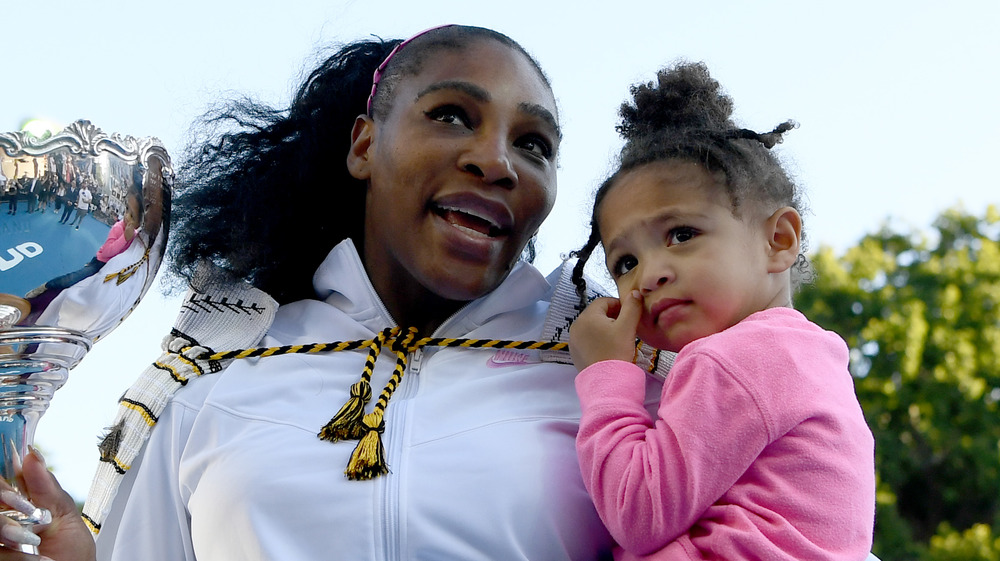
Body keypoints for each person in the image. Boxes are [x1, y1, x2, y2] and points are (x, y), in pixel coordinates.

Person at [0, 25, 617, 560]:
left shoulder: (603, 370)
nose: (498, 161)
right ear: (364, 146)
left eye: (534, 144)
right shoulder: (212, 381)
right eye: (452, 115)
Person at [567, 61, 876, 560]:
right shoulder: (801, 353)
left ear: (778, 240)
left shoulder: (733, 360)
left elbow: (638, 513)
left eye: (682, 235)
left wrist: (605, 375)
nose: (648, 276)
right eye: (625, 262)